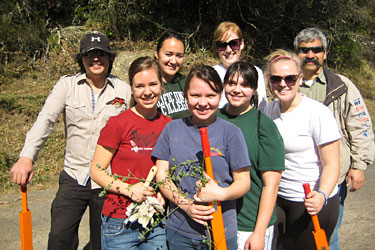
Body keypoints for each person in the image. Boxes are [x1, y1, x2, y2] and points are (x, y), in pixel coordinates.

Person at [10, 31, 132, 250]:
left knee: (103, 243)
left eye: (101, 54)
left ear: (110, 58)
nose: (96, 59)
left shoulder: (124, 89)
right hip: (73, 176)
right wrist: (27, 157)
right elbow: (44, 121)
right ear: (82, 59)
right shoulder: (66, 86)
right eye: (90, 54)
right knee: (59, 238)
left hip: (107, 179)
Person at [152, 65, 251, 250]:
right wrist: (186, 205)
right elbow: (162, 175)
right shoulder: (171, 129)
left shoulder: (231, 133)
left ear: (220, 96)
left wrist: (221, 193)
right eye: (195, 95)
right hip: (180, 232)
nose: (203, 103)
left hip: (221, 231)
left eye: (211, 95)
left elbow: (243, 181)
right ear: (185, 96)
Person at [293, 27, 375, 250]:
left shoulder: (341, 86)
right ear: (296, 53)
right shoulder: (284, 83)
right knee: (294, 234)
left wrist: (359, 165)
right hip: (294, 176)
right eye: (304, 50)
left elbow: (360, 126)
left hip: (334, 178)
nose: (311, 55)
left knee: (328, 236)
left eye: (317, 50)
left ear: (325, 53)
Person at [90, 56, 171, 249]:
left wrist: (164, 194)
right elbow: (96, 170)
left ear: (162, 84)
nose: (147, 92)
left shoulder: (169, 125)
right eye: (140, 86)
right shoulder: (118, 124)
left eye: (153, 84)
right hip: (119, 223)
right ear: (132, 89)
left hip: (155, 223)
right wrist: (129, 189)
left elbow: (168, 170)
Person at [263, 49, 341, 250]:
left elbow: (332, 164)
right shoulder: (268, 111)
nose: (282, 84)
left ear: (299, 79)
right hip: (279, 198)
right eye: (276, 79)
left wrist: (322, 194)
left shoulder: (317, 113)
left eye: (289, 78)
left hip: (310, 202)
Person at [216, 61, 285, 250]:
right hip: (218, 220)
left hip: (250, 224)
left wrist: (259, 232)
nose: (237, 90)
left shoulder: (264, 125)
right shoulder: (214, 119)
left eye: (244, 85)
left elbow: (271, 184)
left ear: (254, 89)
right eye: (231, 83)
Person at [211, 21, 268, 111]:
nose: (228, 50)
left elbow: (262, 107)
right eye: (222, 45)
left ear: (241, 44)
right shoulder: (210, 74)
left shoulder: (256, 72)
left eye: (233, 44)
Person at [155, 31, 190, 119]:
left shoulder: (188, 83)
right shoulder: (148, 86)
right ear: (157, 53)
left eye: (179, 56)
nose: (173, 61)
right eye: (168, 54)